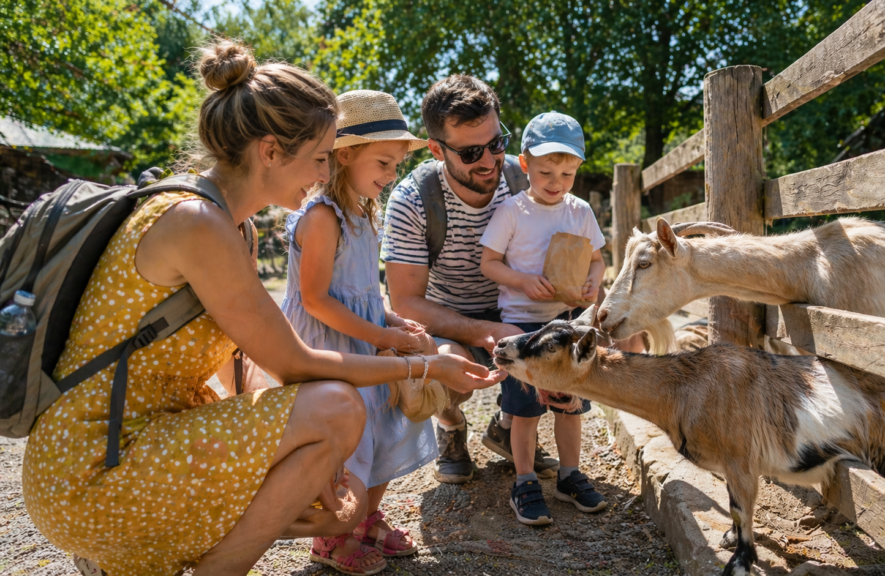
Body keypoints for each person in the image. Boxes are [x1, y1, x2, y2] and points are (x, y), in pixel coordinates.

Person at [22, 41, 502, 576]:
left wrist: (311, 468)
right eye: (319, 158)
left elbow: (245, 366)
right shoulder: (196, 222)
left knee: (327, 421)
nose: (324, 174)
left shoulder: (235, 226)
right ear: (270, 151)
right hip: (91, 469)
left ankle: (137, 555)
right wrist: (424, 366)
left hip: (140, 442)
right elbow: (297, 365)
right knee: (338, 408)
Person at [281, 90, 436, 574]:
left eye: (395, 166)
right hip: (329, 347)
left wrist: (389, 320)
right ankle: (331, 536)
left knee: (386, 430)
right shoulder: (324, 216)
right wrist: (384, 336)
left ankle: (365, 519)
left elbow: (364, 291)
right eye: (384, 163)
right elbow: (316, 299)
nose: (391, 176)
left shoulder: (365, 213)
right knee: (349, 445)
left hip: (366, 337)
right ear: (344, 155)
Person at [381, 75, 562, 484]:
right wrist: (486, 329)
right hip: (447, 315)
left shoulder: (527, 180)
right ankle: (450, 425)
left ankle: (505, 426)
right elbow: (407, 303)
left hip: (516, 306)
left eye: (497, 143)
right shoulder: (412, 200)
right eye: (470, 152)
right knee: (447, 370)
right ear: (435, 149)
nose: (489, 161)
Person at [479, 111, 608, 525]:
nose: (556, 182)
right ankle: (525, 479)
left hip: (569, 322)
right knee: (525, 409)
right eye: (546, 171)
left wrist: (593, 284)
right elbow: (489, 263)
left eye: (567, 173)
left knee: (570, 404)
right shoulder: (512, 211)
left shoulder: (580, 211)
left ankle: (569, 475)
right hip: (523, 326)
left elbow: (597, 259)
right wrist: (521, 281)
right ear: (524, 164)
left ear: (578, 170)